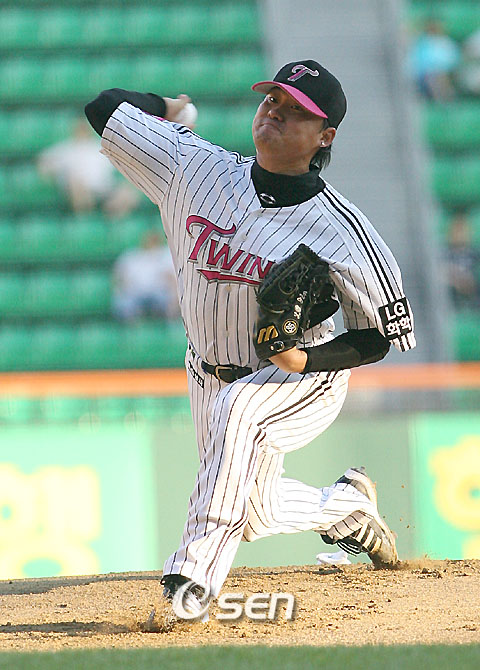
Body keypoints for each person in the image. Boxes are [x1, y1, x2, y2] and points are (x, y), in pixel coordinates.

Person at [85, 59, 416, 622]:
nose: (275, 113)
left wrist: (304, 358)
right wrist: (166, 108)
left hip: (301, 379)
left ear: (325, 136)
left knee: (240, 409)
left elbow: (377, 336)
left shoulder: (345, 231)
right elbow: (104, 109)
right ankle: (348, 507)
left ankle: (191, 582)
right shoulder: (193, 168)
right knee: (255, 511)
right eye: (272, 100)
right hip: (206, 371)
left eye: (297, 111)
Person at [37, 118, 140, 217]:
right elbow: (45, 163)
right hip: (79, 187)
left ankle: (111, 220)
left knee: (128, 192)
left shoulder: (100, 147)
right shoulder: (66, 149)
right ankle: (84, 218)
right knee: (76, 185)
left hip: (102, 187)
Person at [112, 229, 180, 322]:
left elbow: (173, 279)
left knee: (169, 301)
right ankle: (134, 327)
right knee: (125, 303)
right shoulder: (132, 258)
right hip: (137, 293)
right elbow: (119, 280)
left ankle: (168, 325)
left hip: (159, 293)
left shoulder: (166, 255)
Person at [408, 19, 460, 100]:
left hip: (440, 72)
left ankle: (443, 97)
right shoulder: (423, 42)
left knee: (439, 77)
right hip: (422, 73)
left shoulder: (446, 43)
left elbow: (453, 59)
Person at [445, 210, 480, 309]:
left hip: (472, 292)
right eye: (457, 230)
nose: (460, 234)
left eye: (463, 230)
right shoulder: (444, 254)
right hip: (450, 294)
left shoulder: (474, 254)